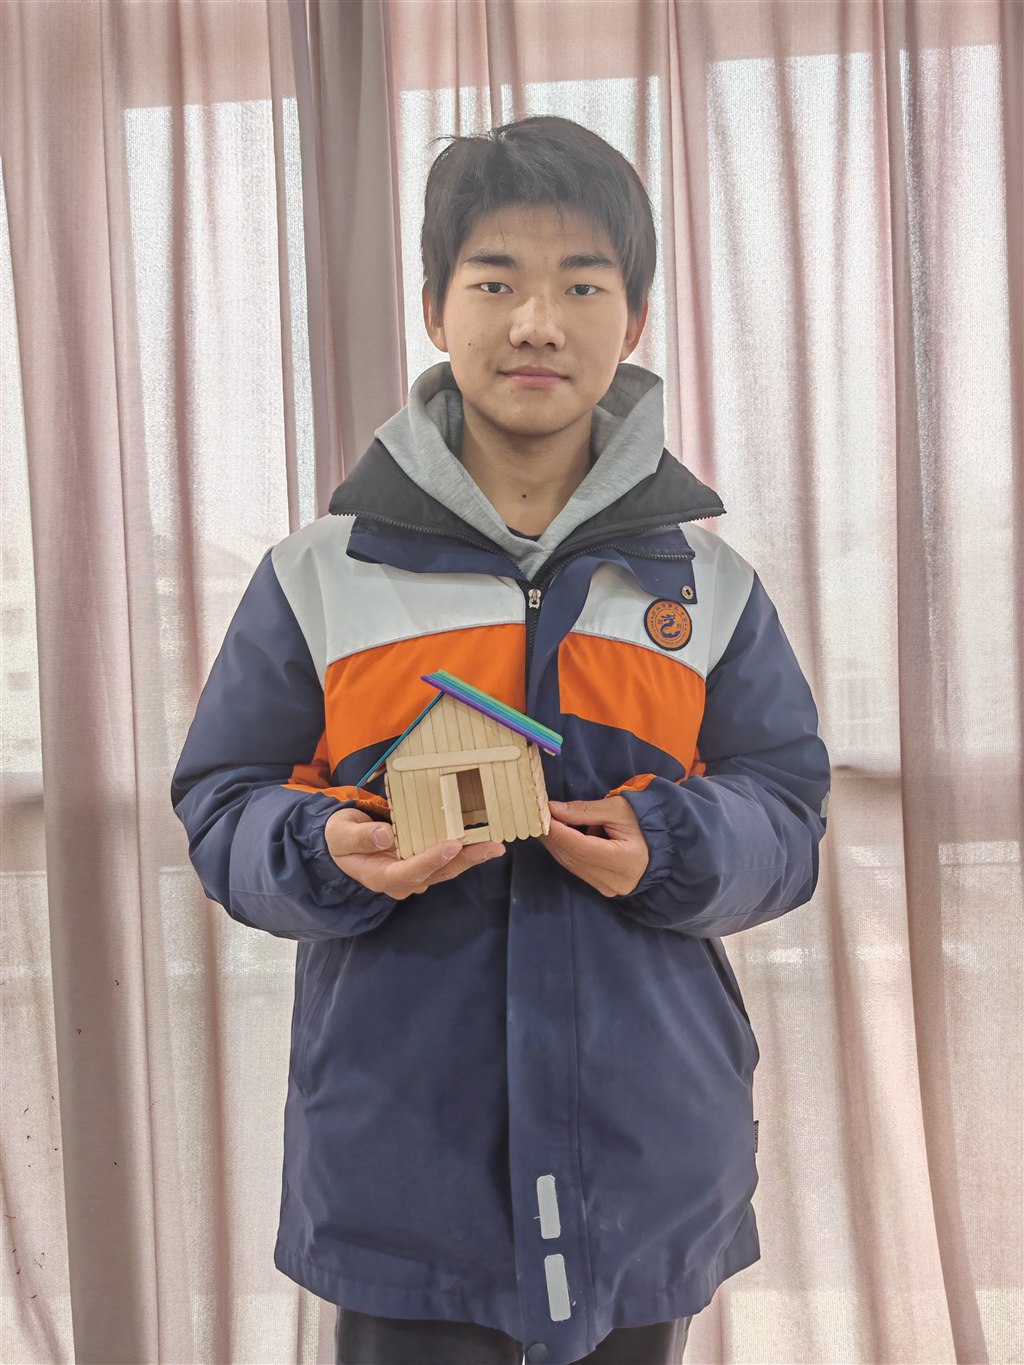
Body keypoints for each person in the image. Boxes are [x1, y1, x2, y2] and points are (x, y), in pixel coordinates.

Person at [171, 115, 830, 1365]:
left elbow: (788, 820)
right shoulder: (318, 576)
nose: (536, 322)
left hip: (649, 1152)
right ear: (434, 308)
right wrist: (323, 849)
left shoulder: (709, 587)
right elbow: (222, 805)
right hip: (399, 1161)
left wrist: (673, 843)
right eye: (495, 282)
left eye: (581, 284)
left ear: (632, 321)